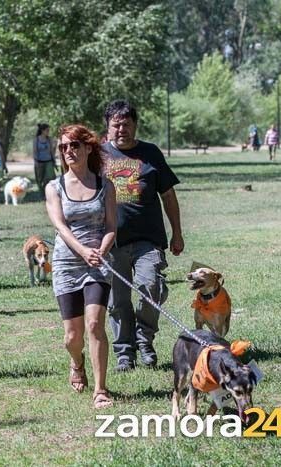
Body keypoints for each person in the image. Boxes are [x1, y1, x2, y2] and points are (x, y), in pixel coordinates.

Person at [101, 99, 184, 371]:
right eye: (116, 125)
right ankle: (125, 352)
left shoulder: (151, 153)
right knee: (118, 300)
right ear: (107, 127)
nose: (121, 129)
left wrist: (177, 233)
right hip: (110, 242)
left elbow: (169, 196)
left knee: (151, 288)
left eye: (126, 124)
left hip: (148, 239)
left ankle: (144, 339)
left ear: (135, 125)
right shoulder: (97, 156)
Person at [45, 124, 117, 409]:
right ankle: (77, 362)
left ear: (88, 148)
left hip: (97, 263)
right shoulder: (54, 187)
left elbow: (112, 227)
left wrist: (101, 250)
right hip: (66, 262)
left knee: (95, 325)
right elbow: (60, 226)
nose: (68, 151)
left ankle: (100, 390)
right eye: (63, 147)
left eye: (74, 145)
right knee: (72, 337)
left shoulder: (105, 185)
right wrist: (83, 250)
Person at [33, 123, 57, 197]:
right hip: (39, 162)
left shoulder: (49, 139)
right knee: (40, 180)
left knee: (51, 178)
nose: (48, 132)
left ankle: (48, 193)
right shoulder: (36, 140)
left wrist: (54, 161)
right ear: (42, 131)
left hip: (48, 161)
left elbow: (52, 151)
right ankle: (42, 194)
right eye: (47, 130)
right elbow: (35, 152)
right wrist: (36, 162)